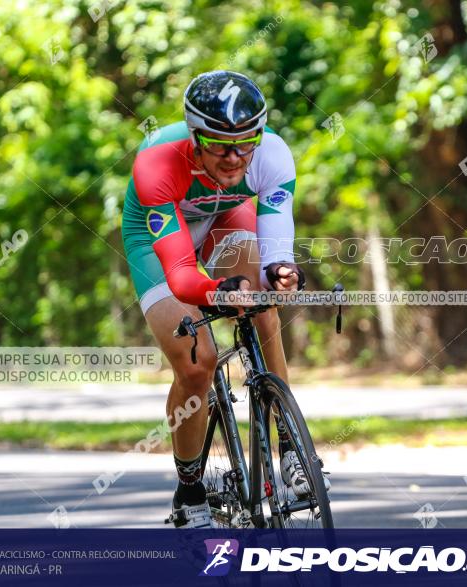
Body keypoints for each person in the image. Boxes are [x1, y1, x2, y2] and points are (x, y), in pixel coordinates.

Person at [121, 70, 326, 528]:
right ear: (194, 136)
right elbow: (180, 274)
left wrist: (280, 270)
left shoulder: (271, 154)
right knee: (197, 364)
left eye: (245, 143)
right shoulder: (157, 162)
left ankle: (292, 448)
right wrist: (216, 290)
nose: (234, 157)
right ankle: (190, 490)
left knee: (263, 307)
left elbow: (276, 244)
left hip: (224, 215)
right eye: (218, 145)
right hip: (159, 238)